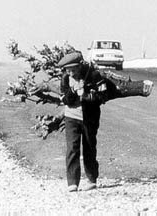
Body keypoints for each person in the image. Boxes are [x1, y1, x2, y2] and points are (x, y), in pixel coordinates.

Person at [58, 52, 108, 192]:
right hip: (71, 118)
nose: (71, 73)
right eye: (68, 70)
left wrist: (87, 95)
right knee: (72, 148)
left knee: (89, 148)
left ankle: (92, 179)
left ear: (80, 66)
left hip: (89, 118)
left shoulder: (94, 76)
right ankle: (72, 182)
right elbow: (65, 100)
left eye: (74, 69)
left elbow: (103, 96)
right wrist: (74, 90)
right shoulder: (65, 78)